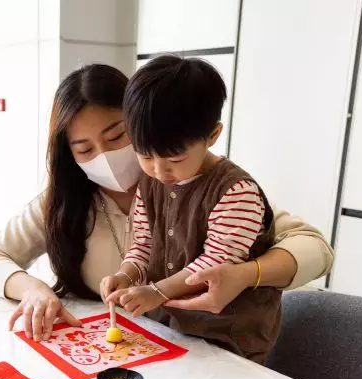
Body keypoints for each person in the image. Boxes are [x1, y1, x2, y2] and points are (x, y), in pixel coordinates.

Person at [0, 63, 333, 344]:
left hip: (212, 347)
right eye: (84, 149)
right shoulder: (64, 203)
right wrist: (34, 289)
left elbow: (315, 248)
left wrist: (245, 274)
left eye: (117, 136)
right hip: (140, 346)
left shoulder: (221, 189)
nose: (105, 156)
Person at [102, 55, 284, 362]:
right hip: (170, 329)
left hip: (227, 336)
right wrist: (127, 273)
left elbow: (215, 265)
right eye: (145, 156)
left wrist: (156, 292)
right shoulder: (149, 183)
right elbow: (144, 244)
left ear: (212, 135)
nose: (159, 170)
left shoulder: (236, 192)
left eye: (175, 160)